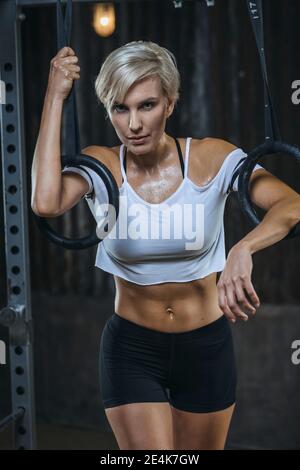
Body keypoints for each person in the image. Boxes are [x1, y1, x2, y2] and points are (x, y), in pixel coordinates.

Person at [31, 40, 300, 450]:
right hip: (132, 348)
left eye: (147, 105)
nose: (133, 124)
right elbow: (45, 201)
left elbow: (292, 203)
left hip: (205, 346)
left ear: (170, 104)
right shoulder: (102, 166)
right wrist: (55, 96)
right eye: (120, 108)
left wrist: (242, 248)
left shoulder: (211, 159)